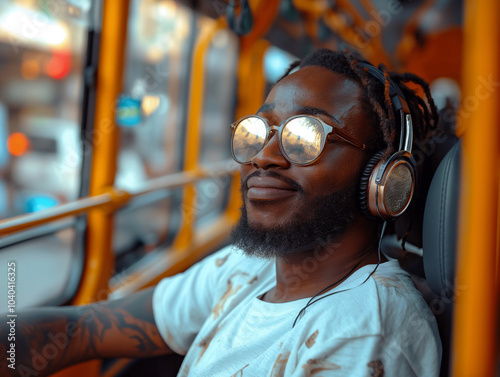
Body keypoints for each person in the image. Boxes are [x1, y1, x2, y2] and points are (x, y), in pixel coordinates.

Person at [0, 48, 441, 377]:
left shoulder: (367, 329)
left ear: (383, 177)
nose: (263, 156)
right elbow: (83, 330)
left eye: (306, 136)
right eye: (257, 131)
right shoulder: (249, 268)